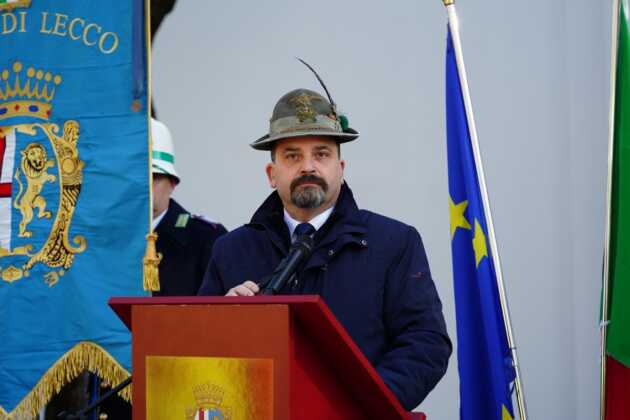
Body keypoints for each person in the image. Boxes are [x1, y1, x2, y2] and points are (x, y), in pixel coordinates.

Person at [198, 87, 452, 410]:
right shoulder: (230, 251)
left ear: (340, 169)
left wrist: (361, 406)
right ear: (271, 174)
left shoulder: (394, 244)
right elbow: (197, 356)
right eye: (292, 156)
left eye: (321, 154)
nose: (308, 167)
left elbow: (425, 344)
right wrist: (221, 323)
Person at [150, 118, 227, 296]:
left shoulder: (206, 237)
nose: (144, 186)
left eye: (153, 178)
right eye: (136, 179)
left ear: (172, 183)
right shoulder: (109, 238)